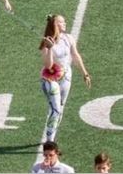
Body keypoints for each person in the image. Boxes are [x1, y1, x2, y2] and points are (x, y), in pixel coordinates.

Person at [39, 14, 91, 144]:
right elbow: (48, 65)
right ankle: (50, 141)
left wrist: (85, 73)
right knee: (56, 108)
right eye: (62, 22)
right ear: (55, 25)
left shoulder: (68, 38)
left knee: (60, 108)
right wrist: (50, 48)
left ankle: (51, 134)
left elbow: (75, 55)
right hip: (50, 79)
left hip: (66, 77)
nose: (65, 24)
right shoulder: (47, 42)